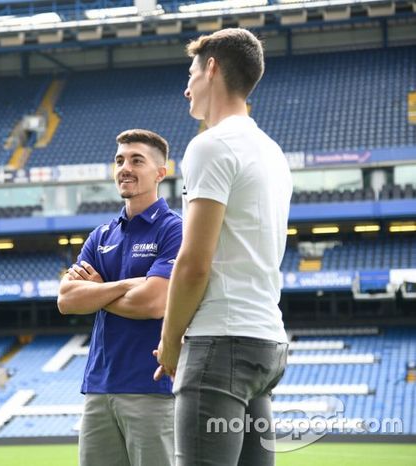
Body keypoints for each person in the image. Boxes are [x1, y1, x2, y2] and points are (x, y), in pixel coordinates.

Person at [154, 28, 292, 465]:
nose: (186, 86)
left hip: (219, 342)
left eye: (192, 73)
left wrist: (170, 340)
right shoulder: (273, 152)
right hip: (265, 343)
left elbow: (194, 261)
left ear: (211, 68)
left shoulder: (211, 146)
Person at [58, 129, 182, 466]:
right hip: (99, 386)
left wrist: (97, 290)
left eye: (136, 160)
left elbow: (154, 302)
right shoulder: (101, 234)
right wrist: (128, 284)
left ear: (161, 172)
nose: (125, 167)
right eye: (119, 160)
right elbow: (67, 300)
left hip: (151, 387)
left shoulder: (174, 229)